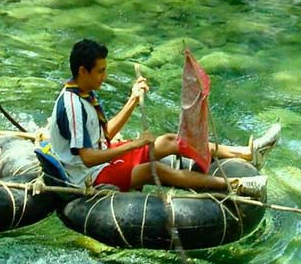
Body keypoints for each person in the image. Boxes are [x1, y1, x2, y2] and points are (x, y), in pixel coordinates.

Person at [43, 38, 281, 196]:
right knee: (154, 169)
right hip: (88, 176)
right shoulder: (72, 105)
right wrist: (135, 144)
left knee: (167, 140)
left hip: (102, 160)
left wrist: (133, 100)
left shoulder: (85, 93)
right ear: (83, 71)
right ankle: (233, 186)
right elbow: (88, 158)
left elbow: (104, 136)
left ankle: (248, 154)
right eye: (100, 71)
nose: (104, 76)